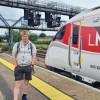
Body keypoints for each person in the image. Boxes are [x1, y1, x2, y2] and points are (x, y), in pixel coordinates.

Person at [12, 30, 37, 100]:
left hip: (28, 66)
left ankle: (24, 96)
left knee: (26, 83)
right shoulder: (17, 45)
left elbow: (34, 56)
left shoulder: (32, 45)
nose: (25, 37)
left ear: (28, 36)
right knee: (17, 83)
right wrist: (15, 65)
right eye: (23, 36)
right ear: (21, 37)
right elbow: (13, 55)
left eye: (26, 36)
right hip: (19, 66)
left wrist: (32, 65)